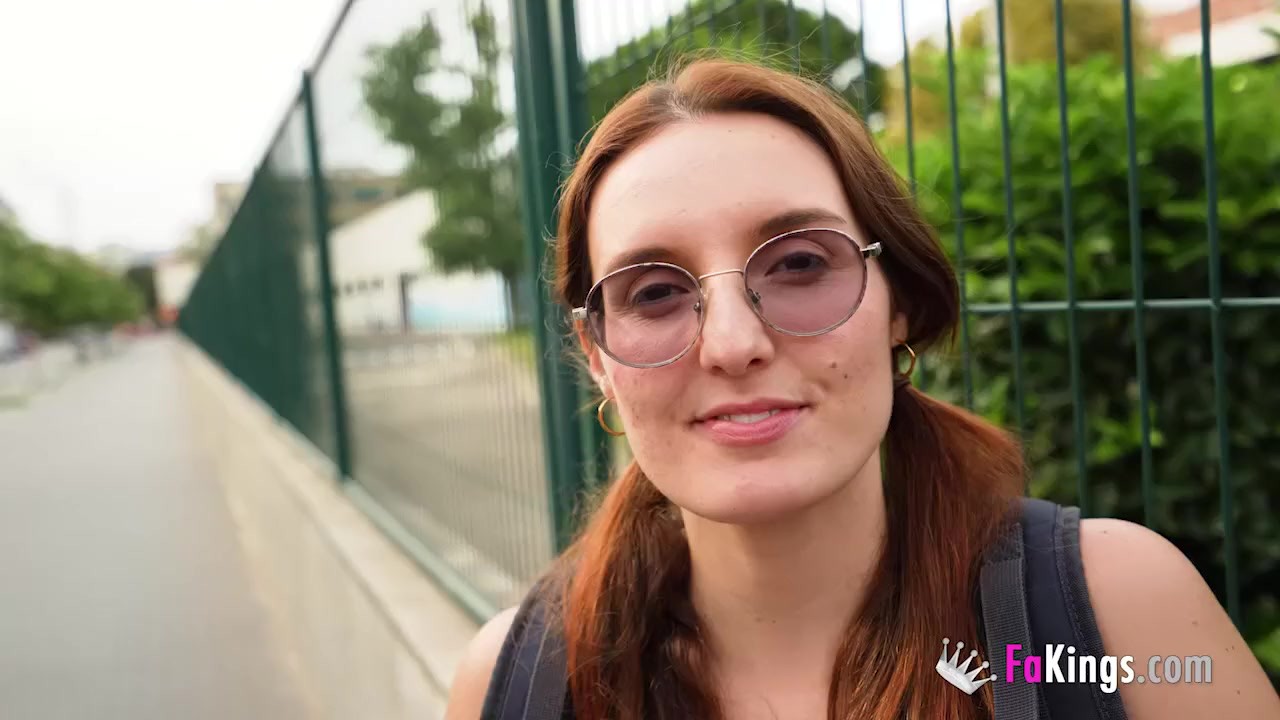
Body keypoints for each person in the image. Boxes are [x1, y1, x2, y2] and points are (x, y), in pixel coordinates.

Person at [445, 57, 1279, 719]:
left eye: (800, 264)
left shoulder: (1113, 616)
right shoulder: (516, 684)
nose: (733, 345)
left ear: (898, 303)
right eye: (655, 292)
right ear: (597, 356)